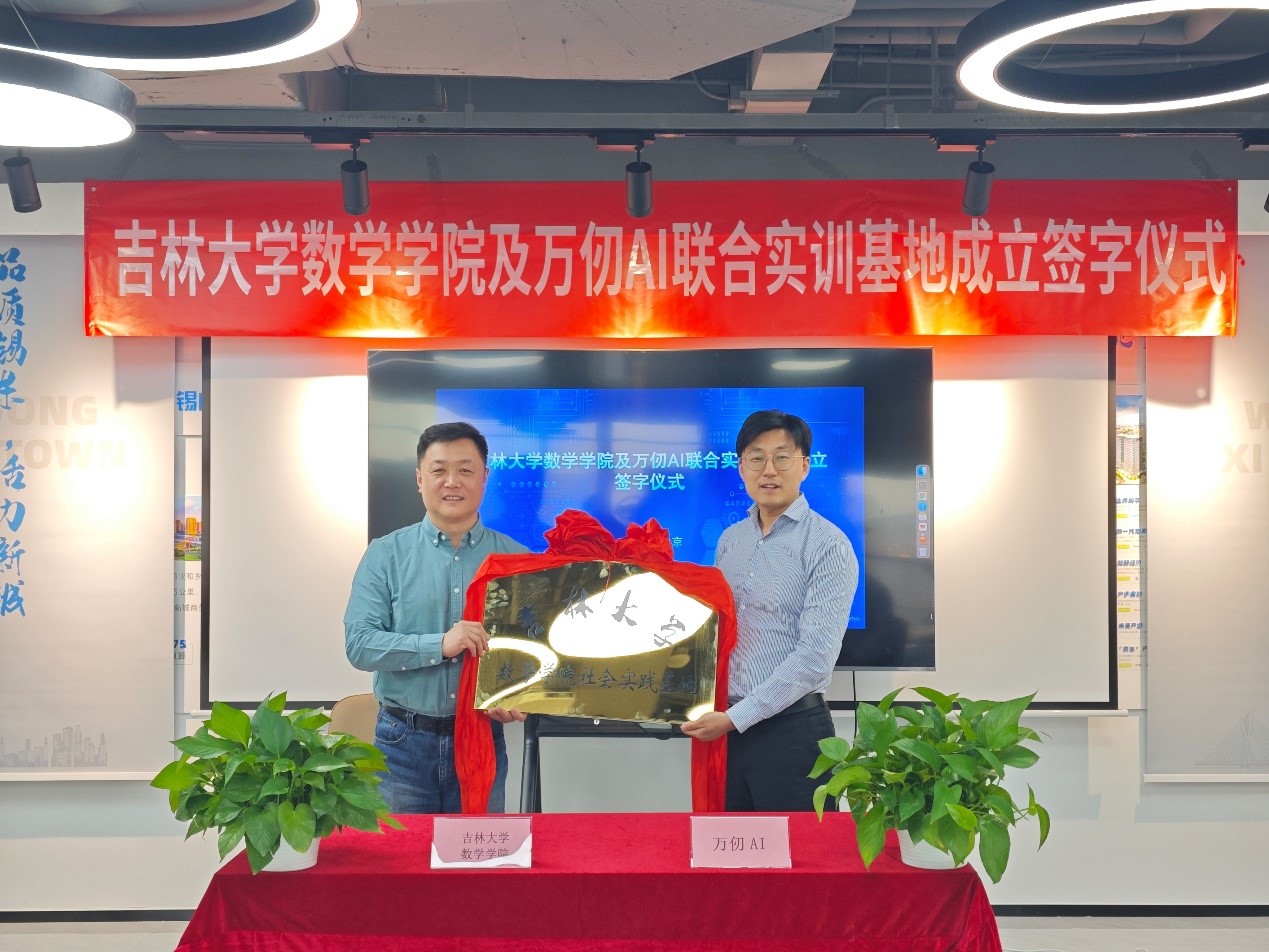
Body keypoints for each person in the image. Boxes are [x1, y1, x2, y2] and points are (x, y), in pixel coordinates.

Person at [344, 421, 529, 813]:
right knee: (402, 854)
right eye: (439, 470)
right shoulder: (386, 554)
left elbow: (532, 652)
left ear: (484, 477)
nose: (452, 482)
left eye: (465, 470)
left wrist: (517, 696)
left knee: (479, 850)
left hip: (480, 740)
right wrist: (440, 644)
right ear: (419, 479)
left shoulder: (517, 561)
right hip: (401, 746)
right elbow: (360, 645)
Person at [680, 409, 858, 812]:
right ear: (741, 468)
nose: (769, 470)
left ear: (805, 466)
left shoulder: (828, 545)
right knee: (727, 847)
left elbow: (814, 658)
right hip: (726, 731)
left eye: (782, 457)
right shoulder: (731, 540)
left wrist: (736, 717)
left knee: (799, 853)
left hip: (791, 734)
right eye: (757, 458)